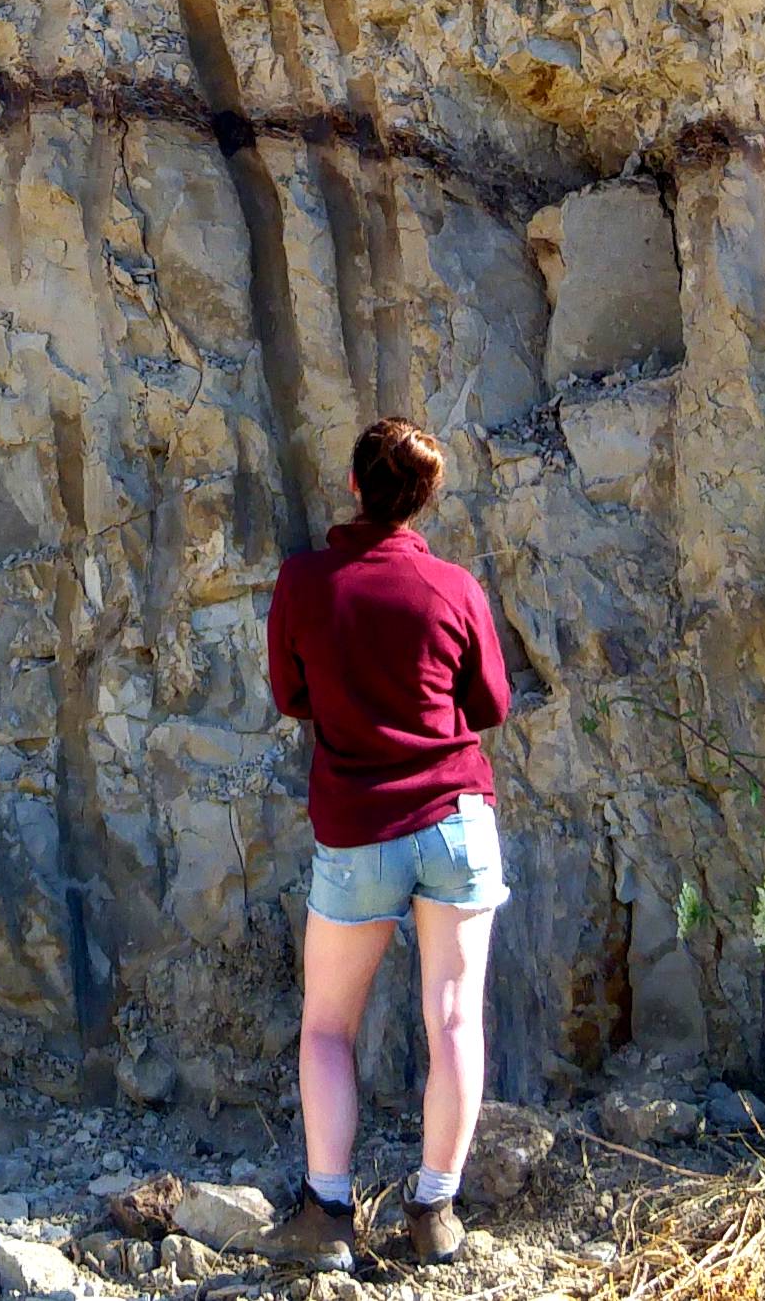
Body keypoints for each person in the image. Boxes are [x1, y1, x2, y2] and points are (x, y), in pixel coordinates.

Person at [246, 417, 512, 1272]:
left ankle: (328, 1213)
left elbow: (291, 696)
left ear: (355, 488)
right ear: (424, 498)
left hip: (360, 826)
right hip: (456, 817)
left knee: (327, 1026)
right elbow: (491, 706)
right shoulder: (455, 587)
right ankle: (435, 1210)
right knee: (454, 1017)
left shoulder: (305, 580)